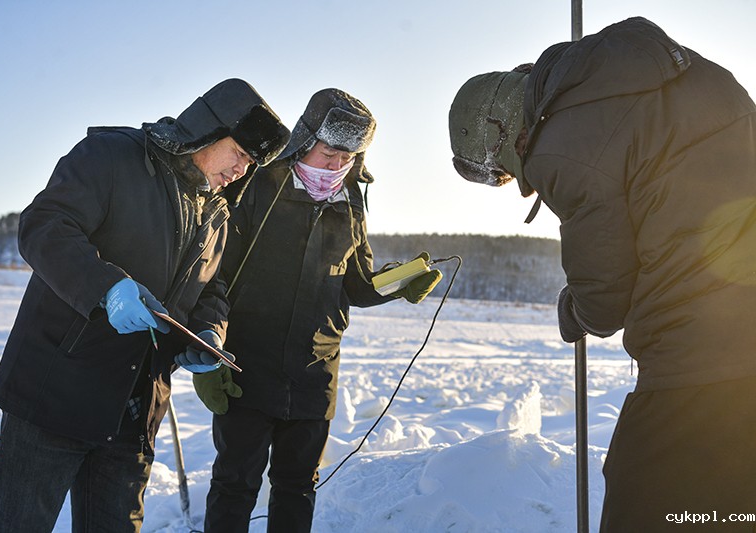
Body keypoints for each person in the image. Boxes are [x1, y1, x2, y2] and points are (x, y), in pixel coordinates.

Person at [448, 16, 756, 532]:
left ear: (499, 133)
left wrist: (573, 310)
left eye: (498, 171)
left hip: (697, 352)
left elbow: (604, 299)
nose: (516, 183)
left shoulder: (561, 142)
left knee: (643, 501)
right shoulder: (651, 74)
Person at [0, 78, 291, 532]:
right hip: (54, 395)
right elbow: (44, 226)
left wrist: (210, 333)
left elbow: (211, 291)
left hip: (134, 411)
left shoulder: (216, 214)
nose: (242, 170)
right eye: (240, 154)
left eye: (251, 163)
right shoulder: (113, 156)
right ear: (210, 130)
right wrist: (106, 287)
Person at [191, 88, 443, 532]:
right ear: (306, 141)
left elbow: (359, 286)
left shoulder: (350, 204)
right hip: (248, 367)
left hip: (315, 377)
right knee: (235, 485)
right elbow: (216, 274)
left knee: (297, 487)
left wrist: (399, 282)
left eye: (347, 158)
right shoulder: (257, 186)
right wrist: (211, 349)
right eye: (329, 153)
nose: (335, 166)